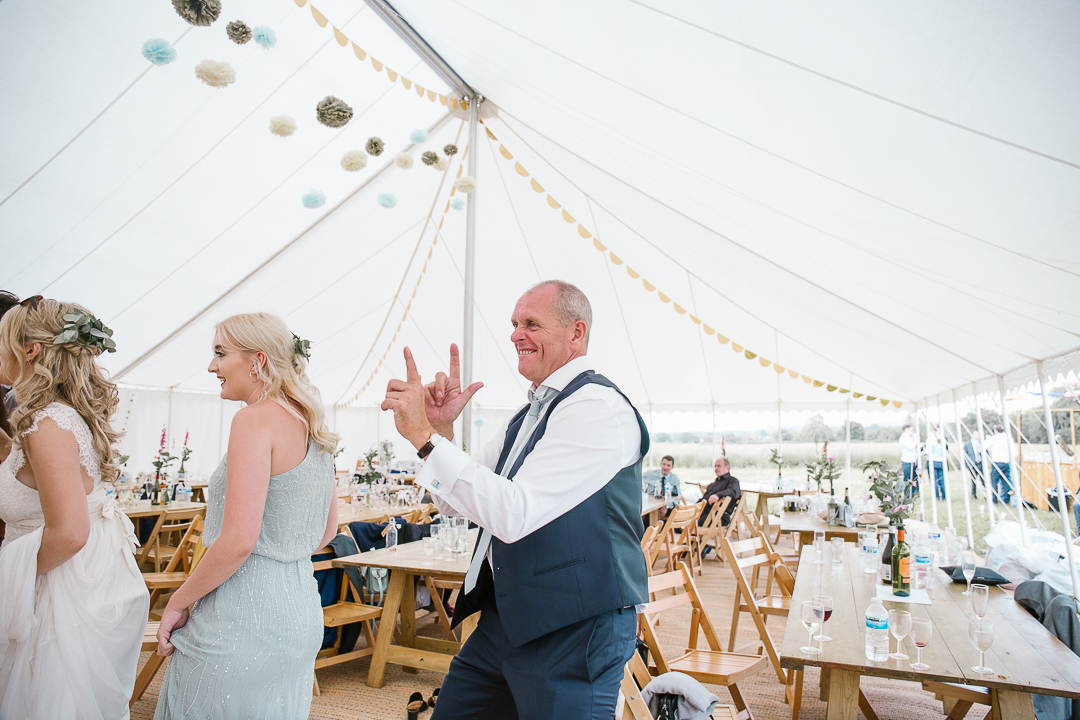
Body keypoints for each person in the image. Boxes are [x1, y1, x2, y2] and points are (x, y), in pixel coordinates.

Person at [381, 280, 647, 720]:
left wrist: (425, 438)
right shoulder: (529, 414)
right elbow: (455, 504)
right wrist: (440, 435)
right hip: (507, 619)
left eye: (531, 324)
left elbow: (513, 514)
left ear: (576, 333)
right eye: (514, 324)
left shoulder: (596, 407)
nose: (515, 334)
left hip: (573, 627)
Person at [154, 313, 339, 719]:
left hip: (240, 614)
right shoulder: (312, 422)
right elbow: (328, 530)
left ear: (256, 361)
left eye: (220, 354)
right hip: (300, 610)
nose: (211, 366)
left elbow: (239, 539)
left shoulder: (253, 420)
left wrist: (178, 602)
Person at [0, 296, 149, 717]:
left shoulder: (46, 422)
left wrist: (9, 580)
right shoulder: (56, 416)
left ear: (29, 350)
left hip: (56, 600)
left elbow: (69, 532)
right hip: (82, 583)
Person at [699, 457, 741, 528]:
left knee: (695, 524)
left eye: (719, 466)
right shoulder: (714, 483)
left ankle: (693, 537)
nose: (716, 468)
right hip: (705, 511)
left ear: (727, 468)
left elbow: (732, 491)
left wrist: (718, 495)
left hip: (720, 515)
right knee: (680, 519)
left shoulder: (733, 481)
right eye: (715, 466)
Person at [642, 454, 680, 519]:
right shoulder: (650, 474)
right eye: (664, 464)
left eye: (668, 465)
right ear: (661, 464)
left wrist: (667, 507)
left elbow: (678, 497)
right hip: (652, 504)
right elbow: (637, 478)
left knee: (673, 514)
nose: (665, 467)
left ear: (672, 467)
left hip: (668, 505)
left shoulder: (674, 479)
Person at [986, 423, 1012, 505]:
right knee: (1005, 481)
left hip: (997, 462)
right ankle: (1006, 499)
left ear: (996, 430)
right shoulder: (1008, 438)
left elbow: (984, 446)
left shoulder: (994, 438)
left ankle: (994, 499)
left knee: (994, 481)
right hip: (1006, 462)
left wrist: (987, 439)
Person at [925, 425, 946, 501]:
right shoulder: (943, 439)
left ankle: (936, 496)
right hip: (941, 461)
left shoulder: (930, 439)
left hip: (932, 461)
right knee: (942, 480)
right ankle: (944, 496)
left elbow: (927, 452)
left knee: (934, 481)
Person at [898, 424, 918, 496]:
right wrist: (916, 439)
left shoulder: (910, 437)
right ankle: (907, 495)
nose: (913, 432)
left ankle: (914, 494)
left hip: (912, 460)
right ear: (907, 430)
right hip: (907, 461)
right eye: (911, 430)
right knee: (907, 479)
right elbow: (912, 447)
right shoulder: (904, 438)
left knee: (914, 479)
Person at [963, 431, 984, 499]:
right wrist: (967, 465)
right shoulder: (967, 444)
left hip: (980, 463)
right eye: (975, 434)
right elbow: (965, 455)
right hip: (972, 465)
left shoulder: (981, 443)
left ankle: (985, 494)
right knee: (973, 480)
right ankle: (974, 495)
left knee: (983, 480)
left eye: (978, 434)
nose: (977, 435)